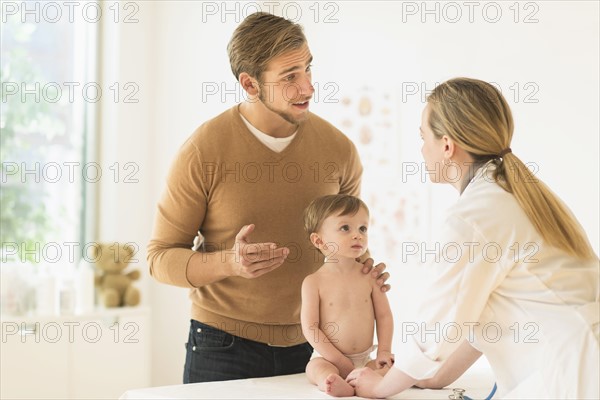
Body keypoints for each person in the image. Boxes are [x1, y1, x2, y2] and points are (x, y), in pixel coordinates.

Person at [146, 12, 390, 384]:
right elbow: (160, 258)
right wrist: (229, 263)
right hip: (221, 347)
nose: (308, 87)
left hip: (317, 349)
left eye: (308, 69)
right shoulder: (202, 151)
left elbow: (340, 240)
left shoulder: (339, 151)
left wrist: (364, 269)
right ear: (250, 84)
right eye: (290, 77)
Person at [346, 77, 599, 399]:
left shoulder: (474, 214)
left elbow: (441, 322)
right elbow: (476, 313)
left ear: (447, 145)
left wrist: (382, 387)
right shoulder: (521, 195)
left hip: (570, 375)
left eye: (423, 138)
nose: (423, 149)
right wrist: (434, 377)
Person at [300, 194, 394, 397]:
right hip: (328, 357)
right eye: (345, 228)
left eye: (363, 228)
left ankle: (368, 383)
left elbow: (384, 316)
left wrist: (384, 351)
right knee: (316, 369)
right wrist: (338, 361)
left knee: (388, 370)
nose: (357, 235)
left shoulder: (370, 276)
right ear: (319, 240)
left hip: (365, 357)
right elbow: (310, 328)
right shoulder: (313, 282)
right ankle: (331, 383)